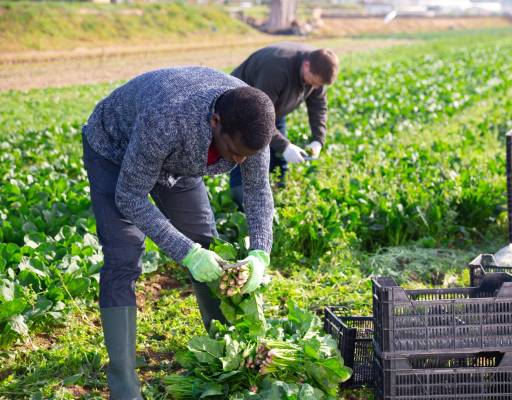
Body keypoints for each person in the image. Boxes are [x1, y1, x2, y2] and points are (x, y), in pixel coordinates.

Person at [82, 66, 276, 399]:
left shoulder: (252, 123)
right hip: (115, 150)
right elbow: (130, 197)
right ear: (215, 121)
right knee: (123, 256)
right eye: (234, 152)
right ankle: (123, 382)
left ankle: (227, 354)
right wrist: (187, 254)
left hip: (177, 161)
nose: (240, 161)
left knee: (205, 240)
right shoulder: (167, 119)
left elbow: (258, 190)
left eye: (248, 155)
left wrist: (260, 252)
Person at [228, 43, 339, 203]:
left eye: (319, 85)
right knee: (247, 153)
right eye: (314, 82)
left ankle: (277, 193)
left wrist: (318, 140)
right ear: (306, 65)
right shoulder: (276, 69)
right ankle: (241, 202)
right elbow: (259, 117)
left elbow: (318, 106)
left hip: (273, 106)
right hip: (242, 106)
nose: (315, 87)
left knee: (278, 155)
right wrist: (285, 146)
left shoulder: (318, 71)